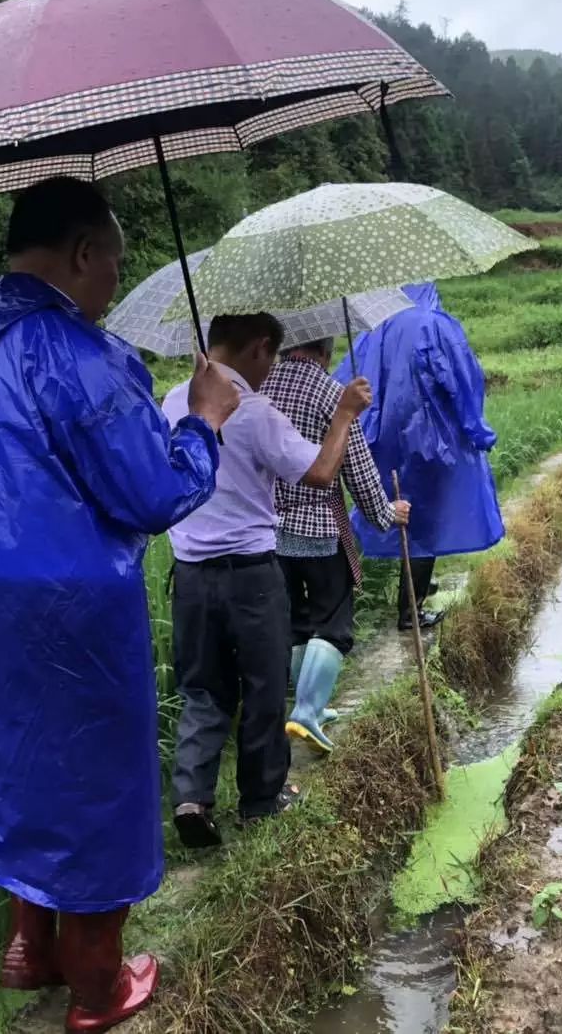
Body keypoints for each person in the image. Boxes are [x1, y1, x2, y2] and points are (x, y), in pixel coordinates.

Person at [0, 177, 239, 1033]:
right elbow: (152, 492)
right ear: (84, 253)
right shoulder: (80, 356)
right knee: (96, 781)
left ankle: (30, 943)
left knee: (15, 762)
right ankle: (97, 986)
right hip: (76, 609)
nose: (114, 286)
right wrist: (201, 419)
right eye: (114, 266)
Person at [161, 315, 372, 848]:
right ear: (259, 349)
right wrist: (344, 413)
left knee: (203, 690)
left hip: (188, 576)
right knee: (263, 687)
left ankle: (192, 798)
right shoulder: (256, 412)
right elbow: (321, 472)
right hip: (252, 575)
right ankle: (261, 800)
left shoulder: (167, 404)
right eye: (269, 359)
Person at [262, 337, 410, 754]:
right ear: (326, 351)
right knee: (333, 621)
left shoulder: (261, 386)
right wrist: (387, 513)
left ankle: (308, 707)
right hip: (318, 527)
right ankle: (307, 710)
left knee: (296, 621)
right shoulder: (333, 393)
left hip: (269, 528)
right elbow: (357, 468)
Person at [336, 283, 504, 629]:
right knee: (426, 526)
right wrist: (478, 431)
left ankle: (413, 592)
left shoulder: (377, 328)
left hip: (382, 442)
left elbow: (344, 378)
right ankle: (410, 611)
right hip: (431, 444)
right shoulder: (437, 325)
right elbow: (463, 380)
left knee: (402, 515)